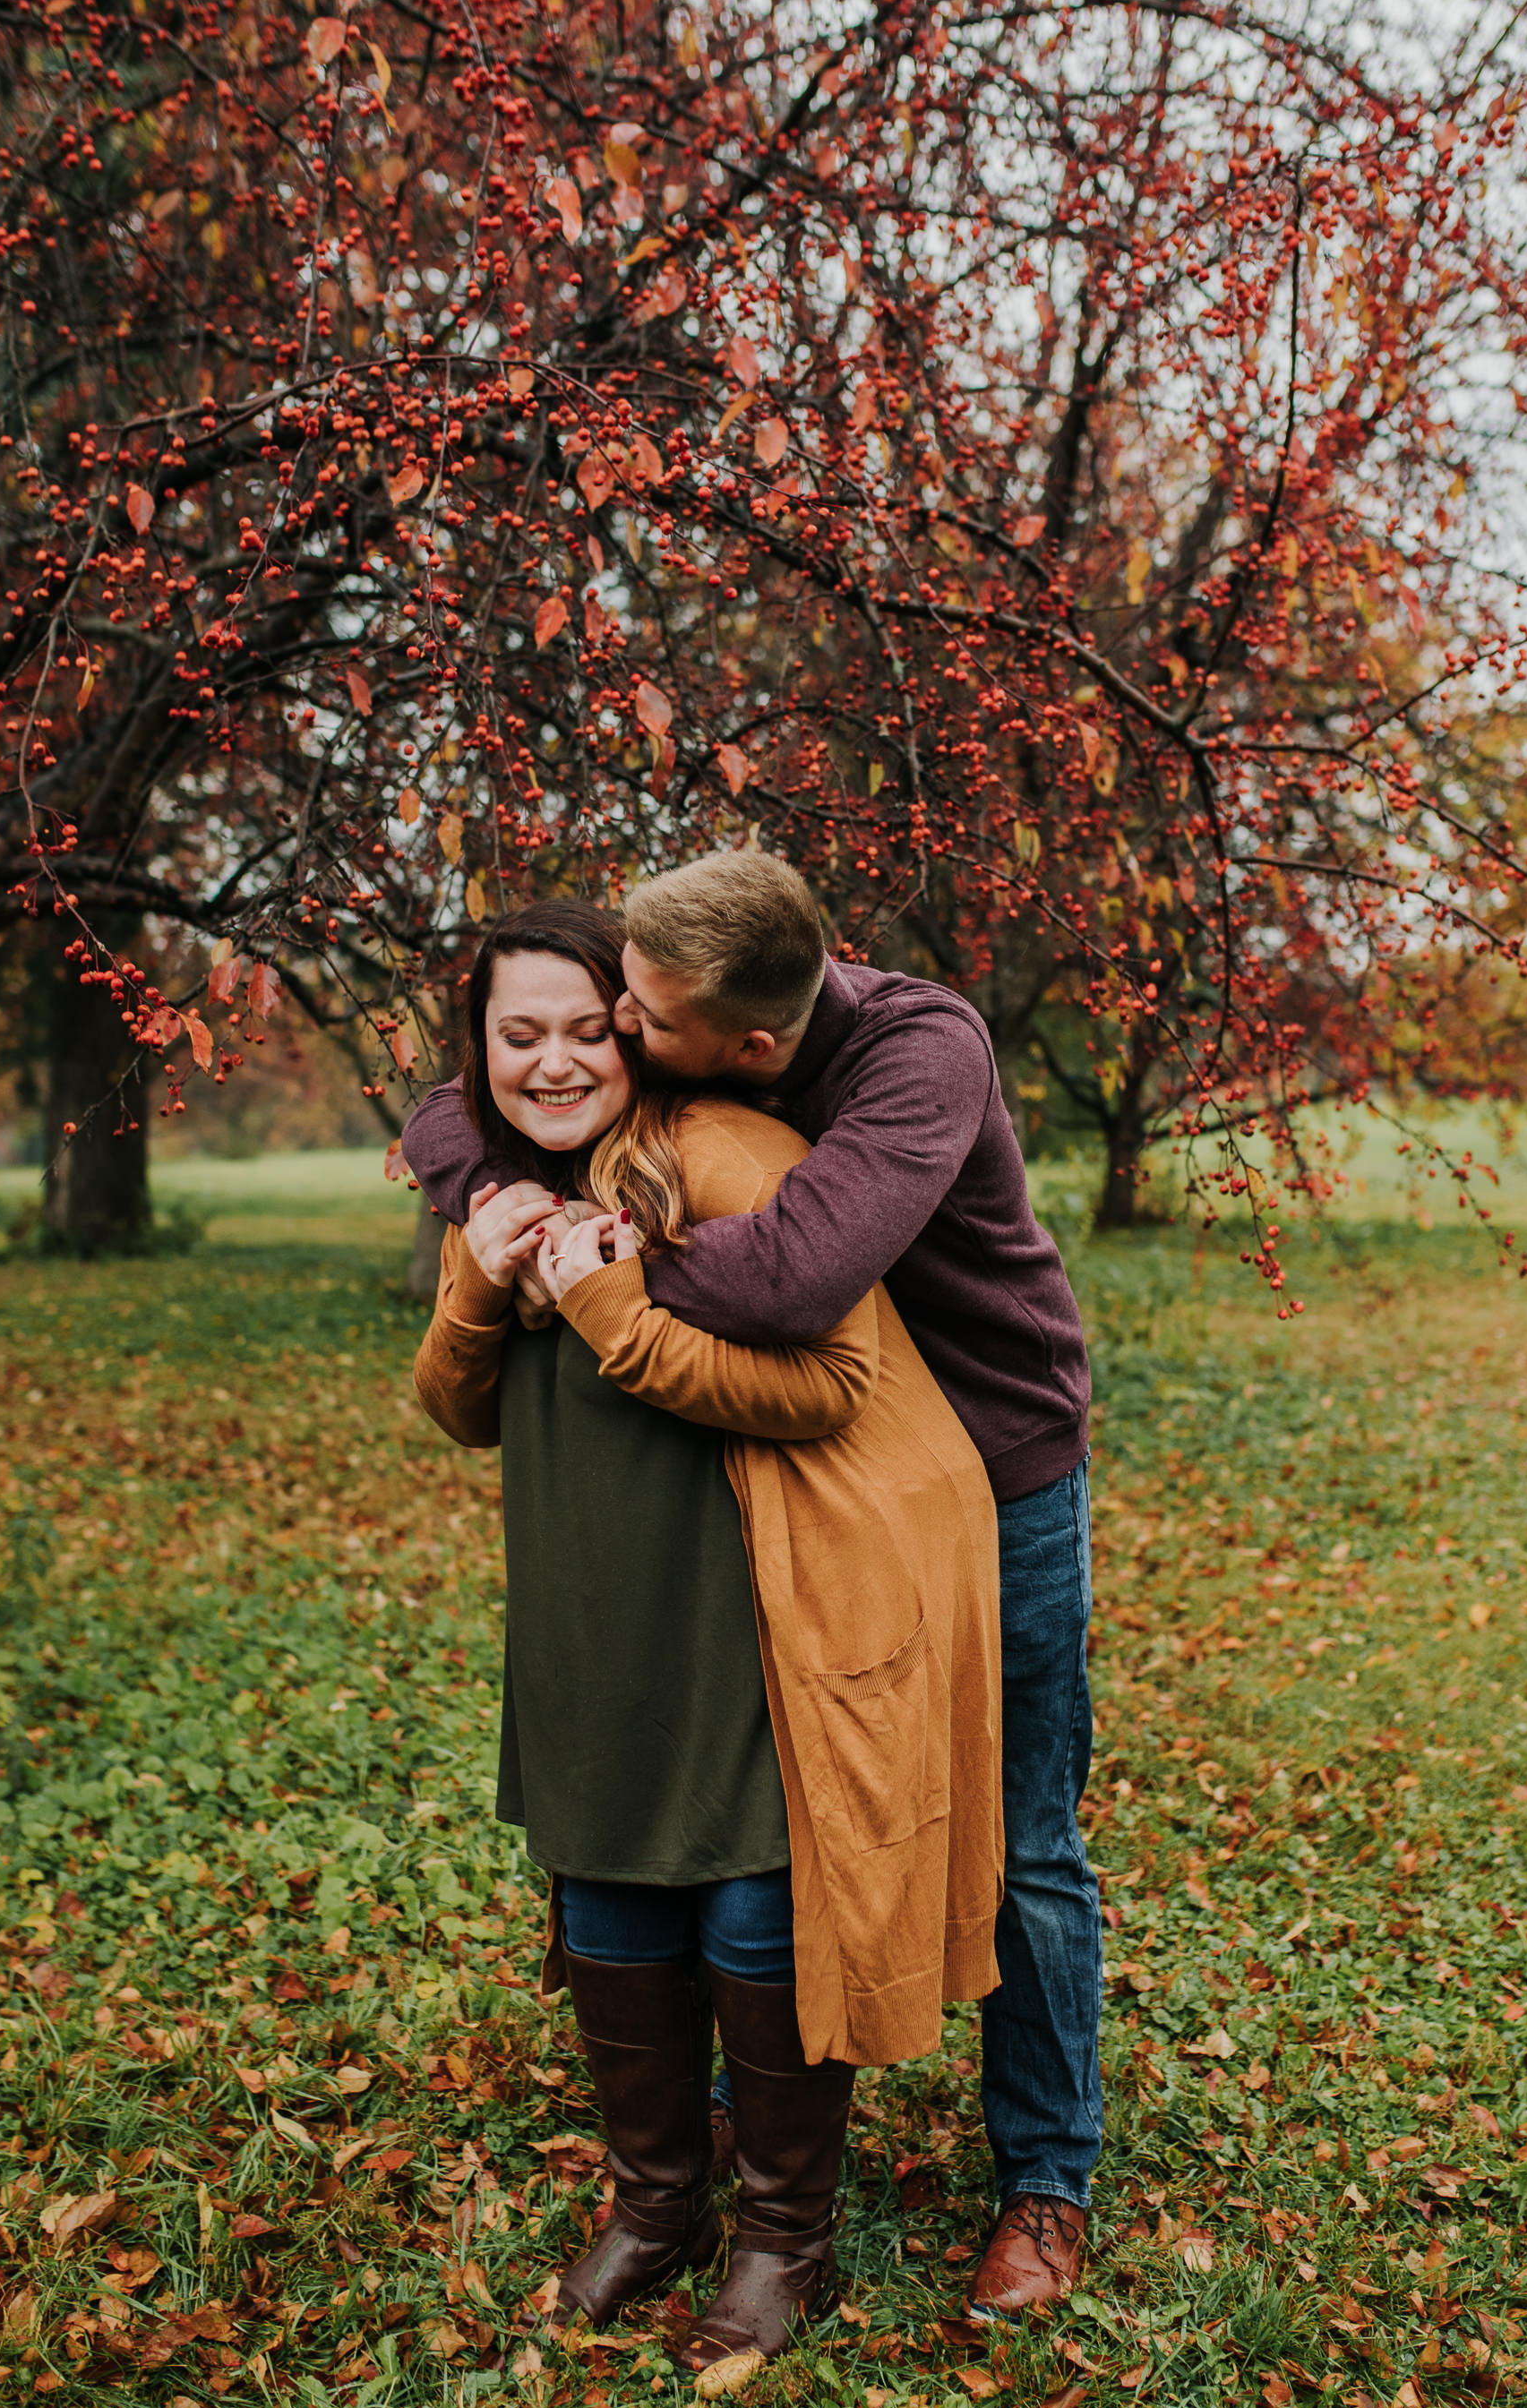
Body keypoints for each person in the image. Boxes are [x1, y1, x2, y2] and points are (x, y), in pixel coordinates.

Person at [404, 853, 1102, 2321]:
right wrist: (496, 1220)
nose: (605, 1043)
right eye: (583, 1016)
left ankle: (1045, 2180)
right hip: (787, 1495)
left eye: (623, 1023)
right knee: (740, 1831)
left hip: (990, 1451)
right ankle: (716, 2144)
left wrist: (598, 1272)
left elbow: (789, 1291)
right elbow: (460, 1116)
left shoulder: (913, 1057)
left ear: (744, 1046)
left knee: (1019, 1842)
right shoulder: (670, 1046)